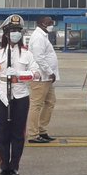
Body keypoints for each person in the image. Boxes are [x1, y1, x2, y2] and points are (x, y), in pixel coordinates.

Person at [0, 15, 41, 175]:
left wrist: (19, 74)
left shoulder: (27, 54)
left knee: (18, 133)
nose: (15, 34)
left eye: (18, 31)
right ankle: (4, 166)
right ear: (6, 34)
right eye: (12, 31)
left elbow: (36, 74)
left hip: (21, 95)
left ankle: (14, 166)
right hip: (2, 95)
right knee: (2, 133)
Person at [27, 15, 59, 144]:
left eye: (52, 22)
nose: (51, 24)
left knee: (50, 102)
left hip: (47, 77)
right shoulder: (38, 37)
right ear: (41, 23)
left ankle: (42, 130)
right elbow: (39, 57)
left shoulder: (43, 36)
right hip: (41, 76)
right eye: (49, 22)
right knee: (36, 104)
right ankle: (33, 134)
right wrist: (50, 72)